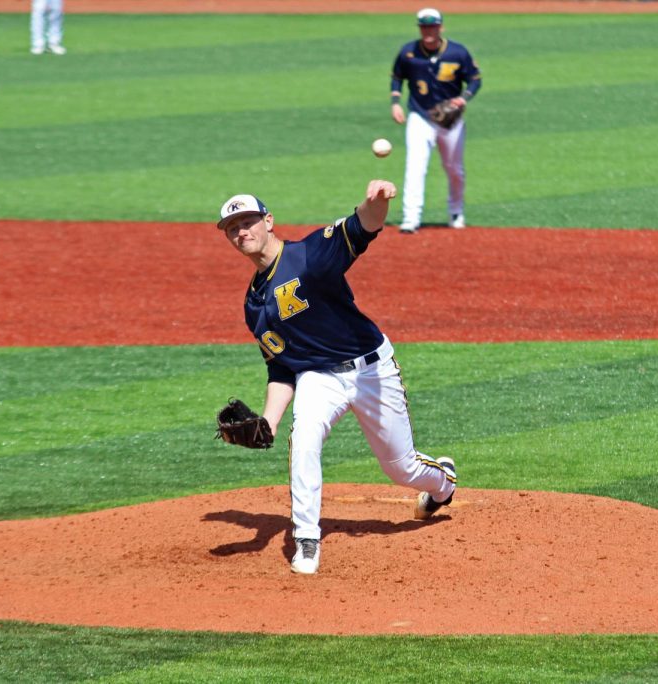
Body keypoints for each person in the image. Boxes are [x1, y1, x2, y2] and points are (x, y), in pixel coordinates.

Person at [216, 182, 457, 575]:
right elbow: (281, 366)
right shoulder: (253, 305)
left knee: (401, 469)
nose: (242, 231)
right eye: (232, 227)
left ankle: (443, 484)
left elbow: (363, 228)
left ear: (268, 221)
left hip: (372, 369)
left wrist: (376, 201)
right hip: (318, 378)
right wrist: (269, 422)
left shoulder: (309, 255)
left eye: (248, 221)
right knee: (305, 438)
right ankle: (307, 539)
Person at [390, 7, 481, 233]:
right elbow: (397, 77)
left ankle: (456, 211)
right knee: (415, 166)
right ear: (419, 28)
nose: (428, 30)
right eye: (424, 26)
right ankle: (411, 218)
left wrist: (464, 98)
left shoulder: (457, 53)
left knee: (454, 169)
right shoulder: (408, 53)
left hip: (450, 119)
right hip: (419, 117)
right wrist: (395, 102)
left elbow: (474, 80)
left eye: (432, 26)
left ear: (440, 27)